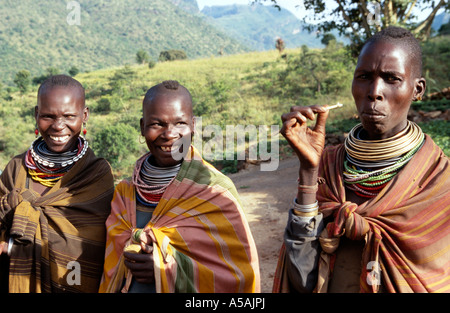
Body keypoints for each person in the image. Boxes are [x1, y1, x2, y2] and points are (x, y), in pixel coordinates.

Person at [273, 26, 449, 293]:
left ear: (418, 89)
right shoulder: (328, 169)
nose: (374, 91)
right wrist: (310, 170)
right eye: (365, 76)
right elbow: (303, 282)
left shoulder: (438, 181)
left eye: (391, 78)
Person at [99, 80, 260, 293]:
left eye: (180, 124)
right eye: (157, 124)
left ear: (193, 126)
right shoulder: (124, 194)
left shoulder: (214, 191)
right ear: (142, 127)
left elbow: (239, 275)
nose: (169, 134)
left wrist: (166, 269)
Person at [0, 75, 114, 293]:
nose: (58, 126)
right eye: (48, 116)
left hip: (73, 281)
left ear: (85, 115)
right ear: (36, 115)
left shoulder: (96, 173)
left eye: (69, 116)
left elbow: (96, 241)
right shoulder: (16, 167)